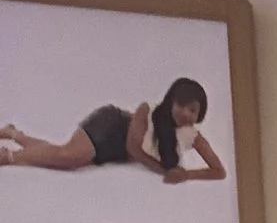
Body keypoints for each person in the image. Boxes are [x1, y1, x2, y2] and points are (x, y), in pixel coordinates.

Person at [0, 78, 226, 181]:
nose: (185, 113)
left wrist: (186, 175)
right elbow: (134, 148)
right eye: (181, 105)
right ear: (171, 102)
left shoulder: (192, 136)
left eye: (192, 110)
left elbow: (218, 171)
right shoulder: (148, 109)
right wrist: (164, 171)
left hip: (117, 153)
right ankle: (9, 156)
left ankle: (14, 134)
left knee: (61, 160)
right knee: (65, 156)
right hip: (110, 127)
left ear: (199, 114)